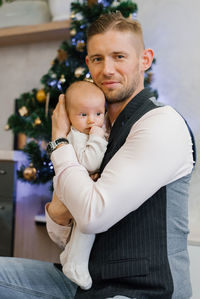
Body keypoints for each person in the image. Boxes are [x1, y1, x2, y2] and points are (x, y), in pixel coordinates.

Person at [0, 11, 195, 299]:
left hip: (142, 291)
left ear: (145, 59)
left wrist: (58, 142)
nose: (107, 70)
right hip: (85, 283)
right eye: (97, 58)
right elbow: (63, 235)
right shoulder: (97, 132)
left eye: (119, 56)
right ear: (88, 62)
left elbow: (92, 216)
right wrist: (58, 210)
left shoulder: (160, 124)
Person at [55, 80, 108, 290]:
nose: (92, 121)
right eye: (83, 115)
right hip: (69, 187)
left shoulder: (85, 132)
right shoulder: (76, 136)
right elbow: (90, 162)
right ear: (69, 116)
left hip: (76, 184)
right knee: (88, 225)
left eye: (98, 113)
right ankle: (77, 263)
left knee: (81, 225)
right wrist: (97, 137)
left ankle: (70, 256)